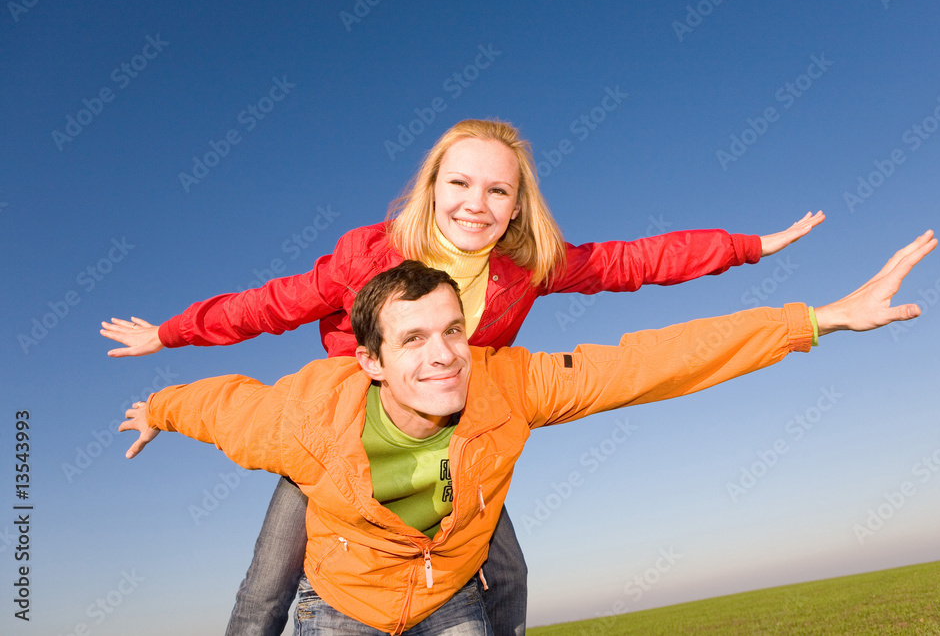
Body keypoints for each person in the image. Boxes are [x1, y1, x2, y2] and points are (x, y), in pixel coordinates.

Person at [101, 118, 824, 635]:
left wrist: (749, 247)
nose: (477, 204)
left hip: (457, 435)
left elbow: (630, 262)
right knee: (268, 588)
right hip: (345, 439)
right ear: (433, 185)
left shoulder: (524, 262)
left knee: (506, 576)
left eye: (498, 192)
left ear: (517, 203)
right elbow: (273, 303)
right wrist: (168, 332)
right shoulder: (368, 257)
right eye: (461, 183)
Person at [119, 232, 936, 634]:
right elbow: (214, 402)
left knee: (502, 573)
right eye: (411, 340)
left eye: (451, 331)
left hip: (446, 601)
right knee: (261, 588)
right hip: (343, 607)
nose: (442, 355)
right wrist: (155, 407)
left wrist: (817, 318)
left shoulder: (509, 385)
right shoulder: (301, 415)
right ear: (368, 360)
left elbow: (653, 360)